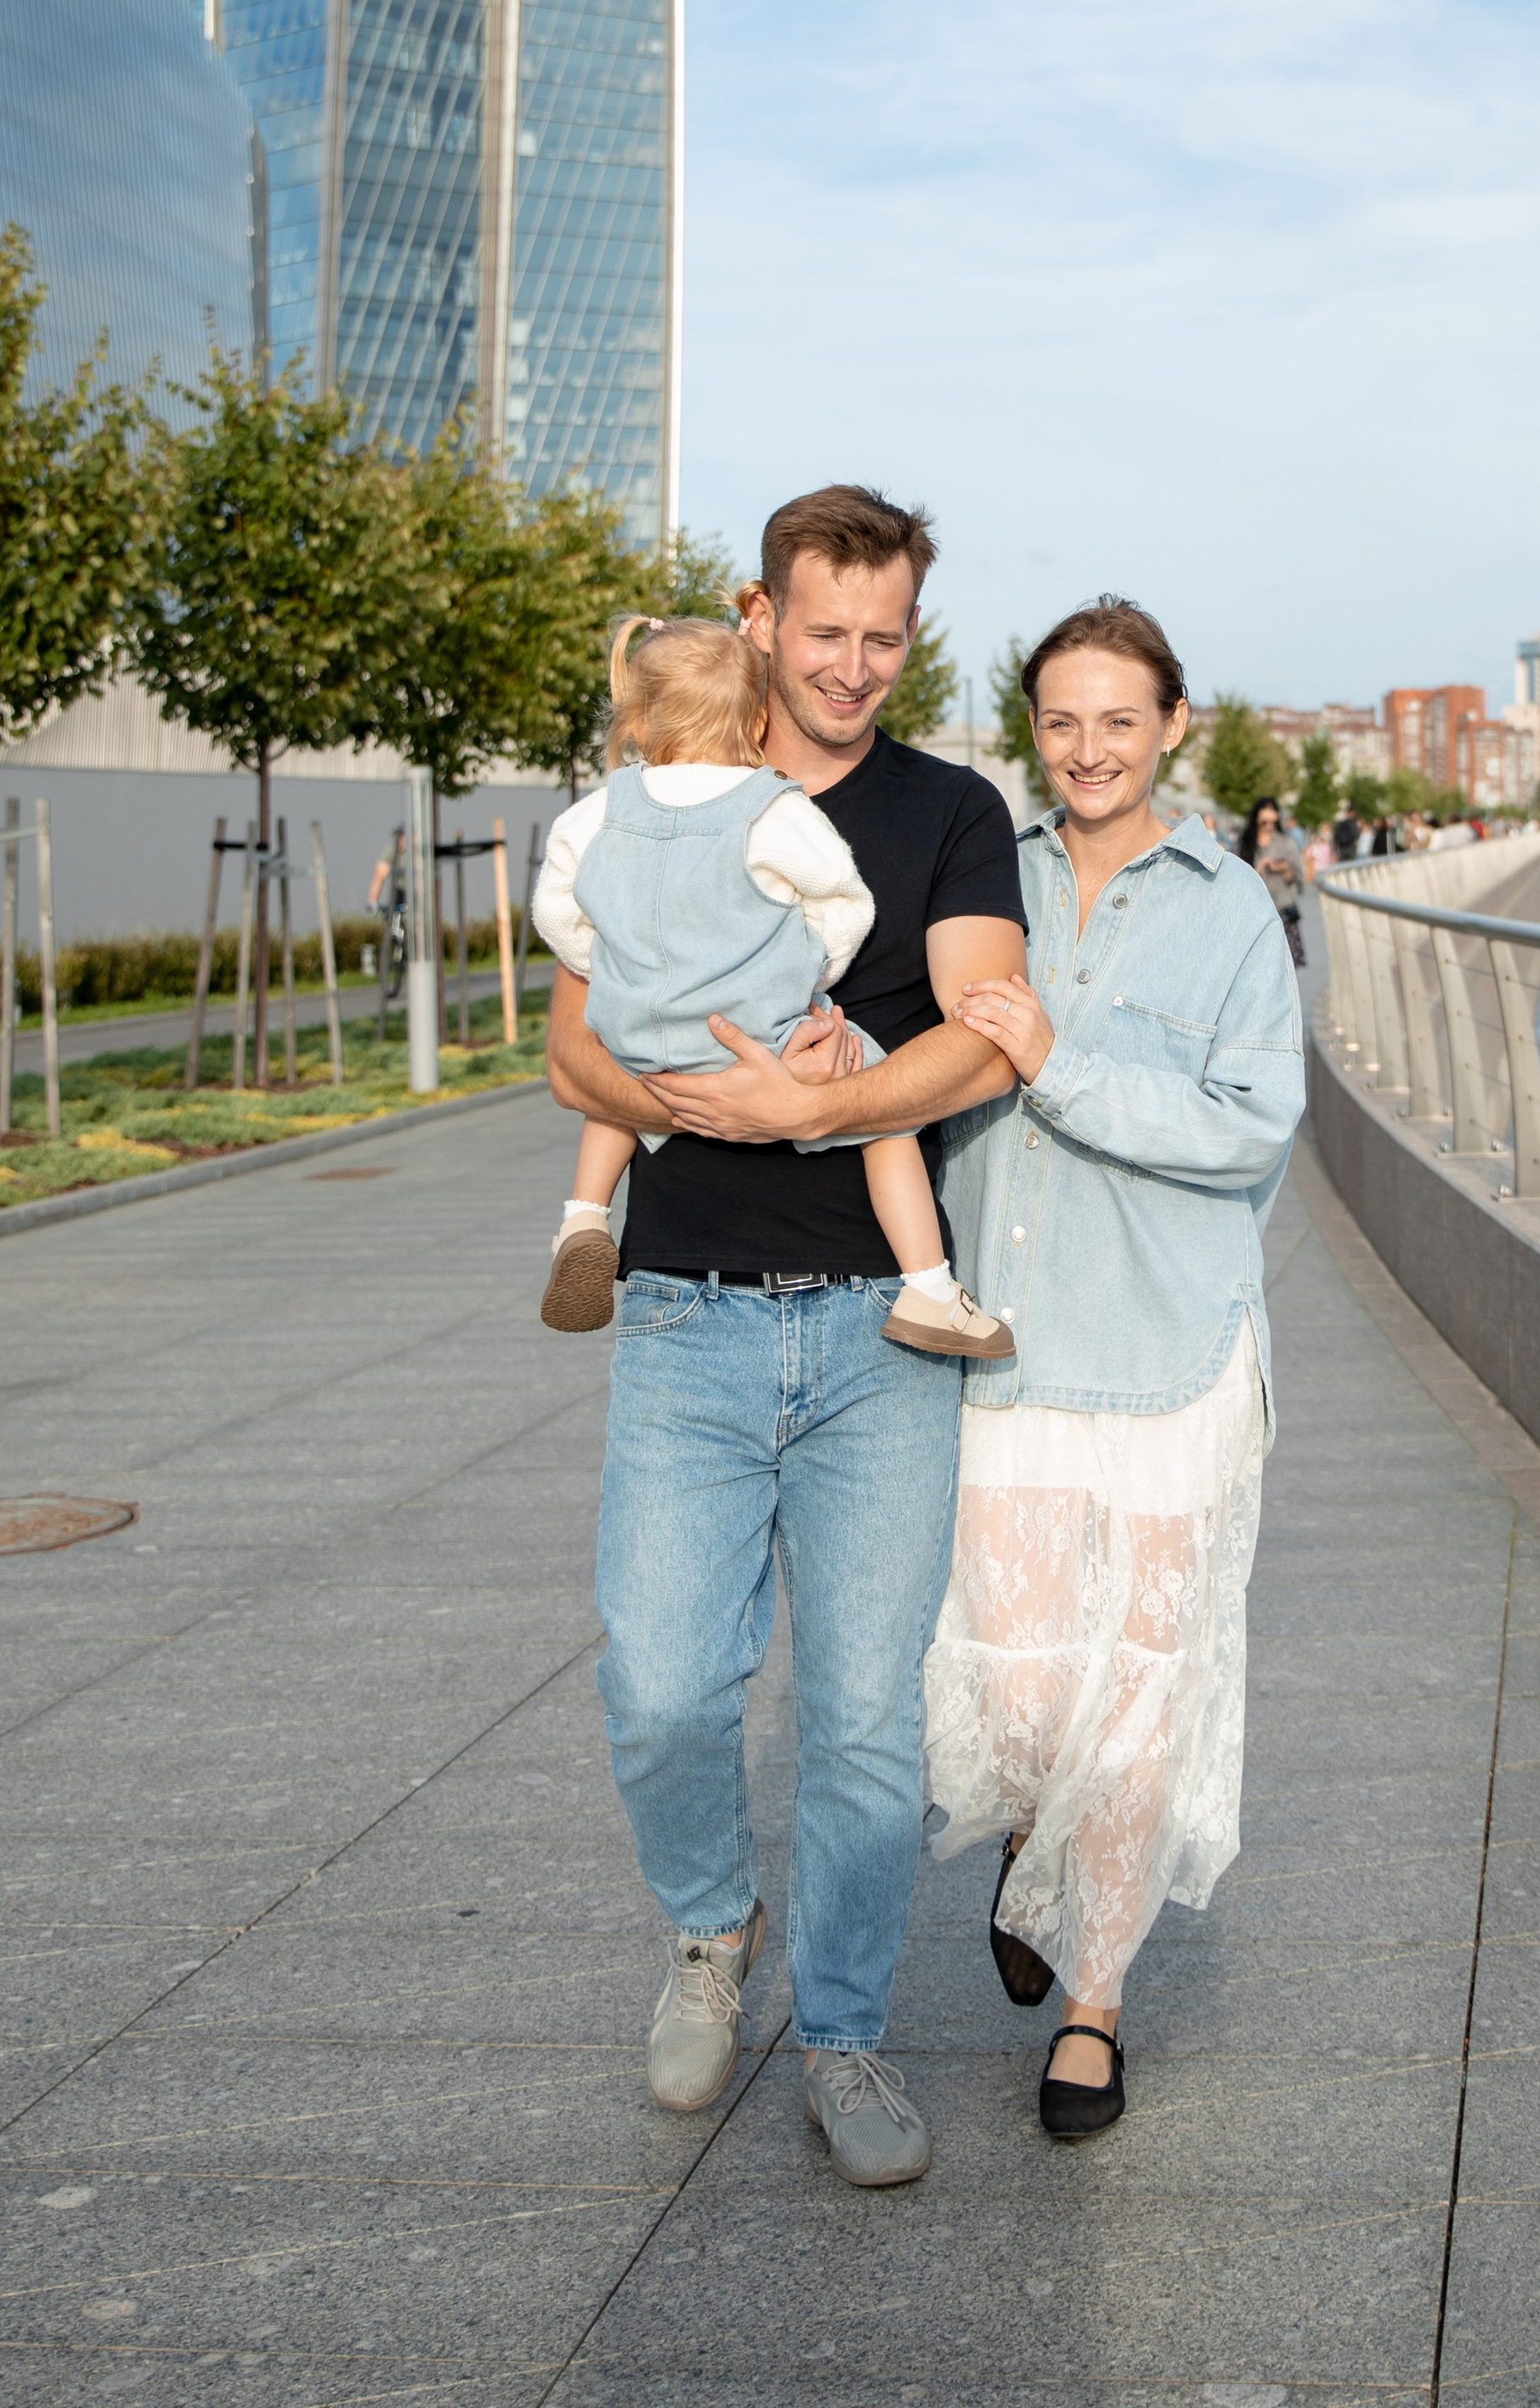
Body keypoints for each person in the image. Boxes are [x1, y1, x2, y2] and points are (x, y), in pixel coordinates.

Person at [544, 485, 1027, 2188]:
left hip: (881, 1337)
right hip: (683, 1317)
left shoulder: (948, 813)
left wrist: (798, 1107)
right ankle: (705, 1927)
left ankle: (841, 2032)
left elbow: (976, 1040)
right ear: (758, 616)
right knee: (662, 1682)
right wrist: (751, 1112)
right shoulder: (657, 792)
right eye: (822, 631)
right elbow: (572, 1055)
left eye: (883, 635)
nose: (851, 666)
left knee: (862, 1725)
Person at [923, 599, 1306, 2139]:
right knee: (1020, 1689)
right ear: (1035, 732)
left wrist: (1059, 1062)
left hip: (1173, 1348)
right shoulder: (981, 875)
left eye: (1119, 721)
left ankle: (1096, 2010)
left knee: (1142, 1694)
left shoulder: (1228, 909)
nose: (1089, 750)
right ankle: (1036, 1841)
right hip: (1010, 1343)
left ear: (1170, 729)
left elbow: (1247, 1124)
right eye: (1062, 722)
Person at [529, 611, 1009, 1360]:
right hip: (759, 1029)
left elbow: (558, 909)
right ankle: (929, 1288)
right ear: (756, 716)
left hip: (639, 1019)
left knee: (618, 1087)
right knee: (883, 1115)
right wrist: (808, 973)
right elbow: (845, 901)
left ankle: (585, 1217)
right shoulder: (769, 804)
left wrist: (610, 962)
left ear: (638, 719)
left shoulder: (600, 811)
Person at [1236, 792, 1305, 968]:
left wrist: (1285, 869)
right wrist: (1258, 869)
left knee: (1287, 969)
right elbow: (1236, 878)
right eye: (1264, 822)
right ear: (1256, 820)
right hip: (1255, 913)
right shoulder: (1243, 844)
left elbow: (1297, 879)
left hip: (1283, 912)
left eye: (1273, 822)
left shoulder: (1285, 843)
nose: (1269, 826)